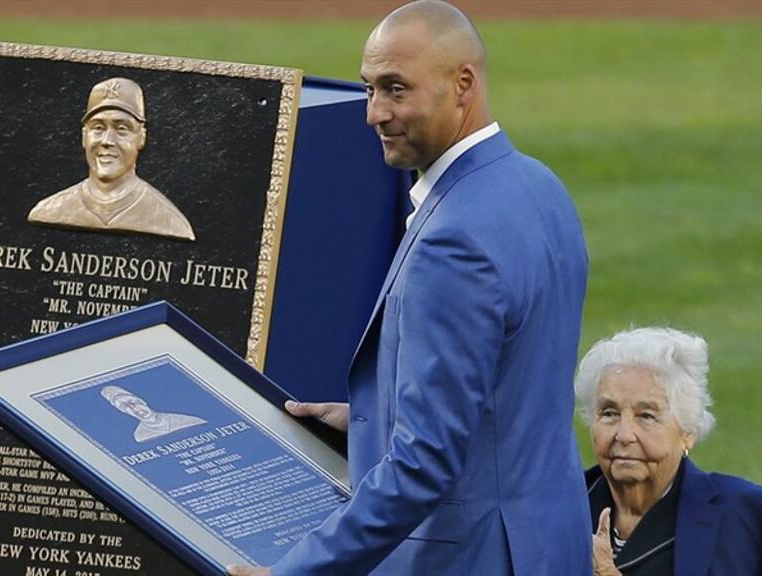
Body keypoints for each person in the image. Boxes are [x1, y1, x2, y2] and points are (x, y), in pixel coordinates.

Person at [230, 1, 591, 574]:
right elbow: (508, 389)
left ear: (462, 85)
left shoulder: (454, 240)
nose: (374, 113)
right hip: (549, 541)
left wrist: (296, 571)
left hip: (473, 556)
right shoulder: (540, 188)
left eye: (396, 90)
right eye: (370, 89)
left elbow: (424, 463)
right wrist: (374, 416)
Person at [575, 327, 762, 576]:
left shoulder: (749, 517)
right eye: (609, 413)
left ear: (688, 432)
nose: (624, 435)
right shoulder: (560, 508)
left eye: (646, 416)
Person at [27, 77, 195, 241]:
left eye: (122, 129)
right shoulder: (50, 210)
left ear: (141, 138)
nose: (107, 141)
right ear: (84, 136)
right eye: (98, 128)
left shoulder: (169, 222)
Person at [100, 385, 206, 443]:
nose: (134, 408)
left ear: (141, 400)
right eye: (125, 407)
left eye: (132, 402)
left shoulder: (187, 420)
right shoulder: (140, 436)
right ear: (123, 412)